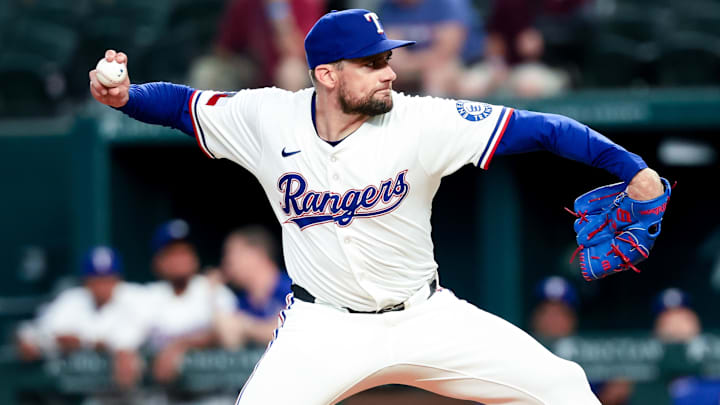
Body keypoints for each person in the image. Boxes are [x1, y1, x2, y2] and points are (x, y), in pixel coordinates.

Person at [88, 8, 666, 404]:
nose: (389, 70)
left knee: (564, 388)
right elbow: (183, 105)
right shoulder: (267, 117)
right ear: (326, 74)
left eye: (387, 57)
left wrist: (631, 169)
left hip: (426, 316)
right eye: (371, 63)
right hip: (325, 327)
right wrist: (125, 97)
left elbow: (543, 129)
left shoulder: (421, 121)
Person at [15, 246, 147, 389]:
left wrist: (83, 341)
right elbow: (33, 331)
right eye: (96, 279)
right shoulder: (72, 299)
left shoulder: (135, 297)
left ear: (118, 279)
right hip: (86, 393)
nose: (102, 285)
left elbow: (129, 339)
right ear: (86, 281)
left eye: (107, 278)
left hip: (138, 392)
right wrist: (31, 340)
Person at [141, 219, 237, 384]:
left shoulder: (214, 290)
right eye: (172, 253)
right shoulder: (147, 296)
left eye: (185, 252)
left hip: (212, 393)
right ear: (158, 262)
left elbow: (230, 336)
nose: (180, 259)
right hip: (162, 394)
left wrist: (182, 345)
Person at [189, 0, 326, 91]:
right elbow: (223, 50)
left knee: (291, 72)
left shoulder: (306, 3)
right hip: (256, 70)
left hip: (291, 69)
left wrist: (278, 14)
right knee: (207, 72)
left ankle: (282, 130)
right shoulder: (245, 3)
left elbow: (301, 52)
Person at [377, 0, 487, 97]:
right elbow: (390, 50)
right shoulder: (388, 6)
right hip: (409, 66)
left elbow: (446, 51)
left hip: (462, 65)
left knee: (436, 77)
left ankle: (435, 119)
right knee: (382, 76)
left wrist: (410, 63)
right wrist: (407, 65)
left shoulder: (447, 4)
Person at [214, 226, 292, 349]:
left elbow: (294, 332)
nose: (227, 262)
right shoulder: (241, 302)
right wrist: (213, 293)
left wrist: (247, 327)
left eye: (232, 253)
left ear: (257, 254)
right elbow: (231, 341)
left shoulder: (292, 289)